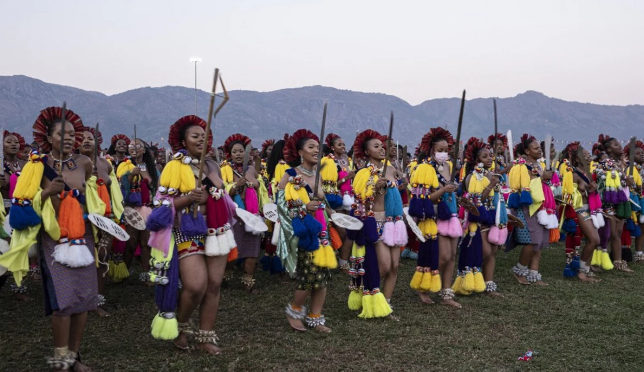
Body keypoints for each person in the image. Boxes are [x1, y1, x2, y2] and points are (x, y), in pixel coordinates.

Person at [0, 106, 100, 371]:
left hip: (82, 237)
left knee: (84, 301)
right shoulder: (36, 166)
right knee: (63, 304)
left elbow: (88, 197)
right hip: (52, 241)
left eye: (71, 133)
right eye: (61, 133)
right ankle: (61, 360)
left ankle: (74, 356)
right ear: (49, 136)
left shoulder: (84, 163)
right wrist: (44, 194)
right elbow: (21, 209)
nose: (67, 138)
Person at [146, 115, 233, 355]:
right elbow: (163, 203)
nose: (201, 140)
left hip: (216, 230)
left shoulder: (214, 166)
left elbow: (221, 197)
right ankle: (181, 326)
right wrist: (188, 199)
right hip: (186, 230)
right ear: (183, 141)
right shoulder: (175, 166)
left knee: (214, 285)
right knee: (196, 286)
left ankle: (205, 337)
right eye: (195, 136)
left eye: (204, 137)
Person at [278, 129, 334, 333]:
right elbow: (280, 204)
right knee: (309, 275)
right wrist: (302, 208)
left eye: (318, 148)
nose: (316, 151)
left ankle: (315, 317)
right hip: (303, 232)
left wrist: (332, 213)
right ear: (300, 151)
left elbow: (324, 202)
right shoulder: (290, 174)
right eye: (311, 147)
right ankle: (294, 310)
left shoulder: (318, 175)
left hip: (322, 231)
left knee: (324, 275)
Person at [348, 129, 407, 319]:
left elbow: (401, 189)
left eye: (382, 146)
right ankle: (369, 295)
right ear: (366, 152)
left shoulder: (390, 169)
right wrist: (375, 188)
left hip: (394, 222)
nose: (381, 149)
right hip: (377, 222)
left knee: (395, 266)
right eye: (376, 147)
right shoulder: (363, 173)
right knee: (384, 266)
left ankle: (386, 305)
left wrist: (402, 182)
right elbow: (360, 201)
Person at [408, 127, 463, 307]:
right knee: (442, 256)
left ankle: (446, 293)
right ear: (431, 149)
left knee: (452, 255)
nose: (444, 153)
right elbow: (425, 198)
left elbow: (451, 192)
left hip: (451, 213)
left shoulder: (448, 166)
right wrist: (443, 190)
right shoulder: (424, 168)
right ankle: (424, 287)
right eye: (440, 150)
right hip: (434, 215)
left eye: (446, 150)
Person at [79, 126, 125, 315]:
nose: (86, 141)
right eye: (82, 138)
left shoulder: (106, 164)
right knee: (86, 259)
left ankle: (98, 300)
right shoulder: (73, 163)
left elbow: (114, 191)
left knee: (103, 257)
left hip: (105, 218)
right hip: (83, 218)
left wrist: (119, 213)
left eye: (90, 138)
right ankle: (82, 299)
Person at [453, 137, 506, 297]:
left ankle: (489, 284)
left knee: (493, 252)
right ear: (477, 160)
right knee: (485, 252)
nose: (490, 158)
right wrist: (490, 184)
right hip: (478, 220)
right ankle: (470, 278)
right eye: (485, 156)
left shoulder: (489, 174)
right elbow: (475, 202)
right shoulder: (472, 177)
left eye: (490, 155)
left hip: (492, 217)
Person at [220, 134, 268, 293]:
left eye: (242, 151)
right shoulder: (225, 170)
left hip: (252, 216)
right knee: (233, 249)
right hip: (234, 217)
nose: (239, 154)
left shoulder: (252, 169)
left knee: (252, 251)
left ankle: (249, 283)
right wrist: (235, 187)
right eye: (235, 151)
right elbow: (221, 191)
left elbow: (261, 191)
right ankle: (225, 279)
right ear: (230, 154)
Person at [507, 133, 553, 285]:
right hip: (527, 208)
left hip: (541, 208)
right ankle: (519, 269)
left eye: (540, 148)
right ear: (527, 151)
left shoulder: (539, 165)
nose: (539, 150)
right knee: (532, 242)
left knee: (539, 243)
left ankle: (534, 274)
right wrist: (542, 177)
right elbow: (519, 186)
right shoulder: (521, 166)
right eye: (536, 148)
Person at [559, 142, 602, 282]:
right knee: (594, 240)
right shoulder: (573, 174)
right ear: (577, 159)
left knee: (594, 240)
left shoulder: (585, 173)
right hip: (579, 210)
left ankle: (585, 269)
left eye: (588, 154)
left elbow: (587, 194)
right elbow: (566, 194)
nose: (589, 156)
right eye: (585, 155)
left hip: (589, 209)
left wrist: (590, 191)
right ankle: (581, 272)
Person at [117, 138, 158, 283]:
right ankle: (123, 273)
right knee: (130, 243)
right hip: (132, 210)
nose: (133, 148)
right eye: (131, 146)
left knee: (146, 244)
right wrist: (131, 175)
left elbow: (157, 187)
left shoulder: (151, 168)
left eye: (137, 146)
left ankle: (147, 274)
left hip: (148, 209)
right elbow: (121, 186)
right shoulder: (124, 166)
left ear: (144, 149)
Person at [594, 134, 634, 272]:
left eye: (619, 144)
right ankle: (596, 260)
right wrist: (625, 182)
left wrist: (627, 183)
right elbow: (602, 182)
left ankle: (617, 262)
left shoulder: (619, 164)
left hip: (620, 202)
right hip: (608, 203)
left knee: (617, 232)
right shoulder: (605, 164)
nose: (620, 146)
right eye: (616, 145)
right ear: (609, 150)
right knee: (608, 234)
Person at [0, 131, 30, 300]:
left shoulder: (25, 164)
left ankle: (18, 287)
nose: (14, 144)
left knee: (21, 248)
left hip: (19, 210)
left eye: (16, 142)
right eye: (9, 141)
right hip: (1, 211)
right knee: (3, 248)